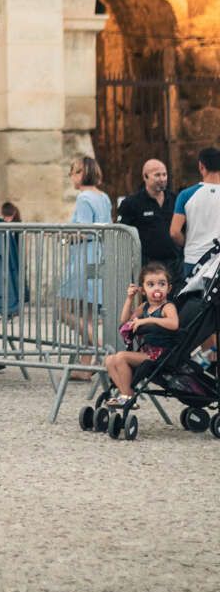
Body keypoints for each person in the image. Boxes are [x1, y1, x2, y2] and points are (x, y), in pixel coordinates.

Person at [59, 156, 112, 379]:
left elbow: (82, 230)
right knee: (88, 315)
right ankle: (85, 367)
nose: (71, 177)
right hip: (100, 255)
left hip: (84, 256)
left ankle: (102, 348)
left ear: (81, 173)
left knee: (63, 309)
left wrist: (65, 236)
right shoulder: (104, 197)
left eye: (73, 172)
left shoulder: (83, 198)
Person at [103, 262, 178, 406]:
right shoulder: (145, 306)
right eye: (151, 285)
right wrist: (129, 298)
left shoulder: (167, 307)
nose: (157, 288)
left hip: (160, 354)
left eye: (161, 284)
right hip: (146, 352)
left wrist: (148, 320)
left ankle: (126, 396)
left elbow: (174, 324)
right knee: (109, 360)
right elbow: (124, 320)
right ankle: (127, 393)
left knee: (121, 357)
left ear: (168, 288)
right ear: (143, 290)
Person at [116, 159, 179, 276]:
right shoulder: (131, 203)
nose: (162, 179)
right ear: (145, 177)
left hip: (174, 265)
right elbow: (121, 234)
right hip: (147, 266)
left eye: (164, 174)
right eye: (157, 175)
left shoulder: (175, 199)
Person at [170, 147, 220, 280]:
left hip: (194, 259)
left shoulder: (186, 195)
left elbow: (174, 232)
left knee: (193, 300)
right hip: (218, 261)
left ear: (201, 166)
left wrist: (188, 243)